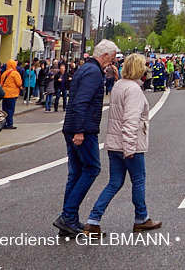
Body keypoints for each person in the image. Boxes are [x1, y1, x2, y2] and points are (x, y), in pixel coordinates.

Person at [83, 54, 160, 234]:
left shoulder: (118, 86)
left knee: (114, 182)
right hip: (128, 144)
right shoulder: (134, 90)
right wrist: (130, 147)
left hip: (114, 143)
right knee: (138, 181)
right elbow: (130, 120)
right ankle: (142, 218)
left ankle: (93, 219)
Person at [54, 40, 119, 237]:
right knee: (91, 169)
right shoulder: (92, 72)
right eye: (113, 56)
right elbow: (82, 101)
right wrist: (80, 130)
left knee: (75, 173)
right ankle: (67, 216)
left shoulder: (86, 69)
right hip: (83, 129)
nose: (115, 60)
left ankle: (69, 220)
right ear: (105, 55)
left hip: (73, 126)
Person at [0, 59, 23, 129]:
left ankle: (4, 122)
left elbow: (1, 83)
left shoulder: (4, 73)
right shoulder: (15, 73)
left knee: (5, 109)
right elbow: (19, 83)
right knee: (10, 109)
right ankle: (9, 123)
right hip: (12, 93)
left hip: (5, 93)